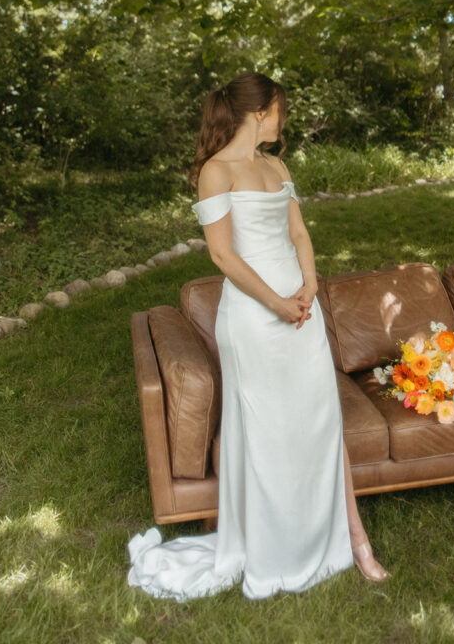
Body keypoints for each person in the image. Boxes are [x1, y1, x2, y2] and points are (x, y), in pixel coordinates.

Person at [128, 72, 389, 600]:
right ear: (262, 110)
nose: (283, 119)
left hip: (301, 310)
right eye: (281, 109)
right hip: (254, 316)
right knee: (270, 430)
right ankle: (276, 549)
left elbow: (298, 232)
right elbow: (223, 256)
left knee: (322, 421)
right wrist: (274, 301)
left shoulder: (276, 164)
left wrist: (310, 285)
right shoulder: (215, 171)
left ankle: (353, 539)